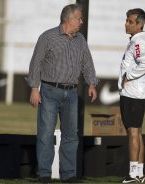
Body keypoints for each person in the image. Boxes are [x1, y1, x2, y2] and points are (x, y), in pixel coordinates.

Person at [27, 4, 98, 184]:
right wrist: (34, 89)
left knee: (71, 135)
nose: (82, 22)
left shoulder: (80, 39)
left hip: (72, 93)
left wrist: (91, 82)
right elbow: (36, 63)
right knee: (45, 134)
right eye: (80, 18)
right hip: (49, 91)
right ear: (70, 19)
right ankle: (44, 174)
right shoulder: (47, 37)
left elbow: (87, 63)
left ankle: (69, 175)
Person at [118, 8, 145, 183]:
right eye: (126, 20)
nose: (126, 24)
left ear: (139, 24)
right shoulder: (144, 41)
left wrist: (130, 76)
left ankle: (133, 174)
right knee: (138, 132)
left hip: (133, 94)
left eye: (130, 21)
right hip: (139, 92)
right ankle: (139, 174)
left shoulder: (138, 42)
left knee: (133, 132)